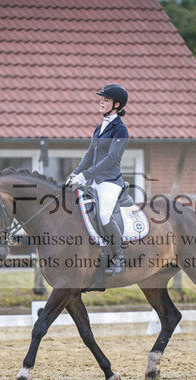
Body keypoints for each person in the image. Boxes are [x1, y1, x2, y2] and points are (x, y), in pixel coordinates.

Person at [66, 84, 129, 276]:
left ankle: (119, 258)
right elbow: (88, 156)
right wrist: (74, 174)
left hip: (110, 181)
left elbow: (111, 159)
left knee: (103, 215)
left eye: (105, 100)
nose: (101, 102)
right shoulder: (99, 128)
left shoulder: (120, 130)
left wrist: (85, 175)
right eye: (101, 99)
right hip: (92, 180)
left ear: (116, 105)